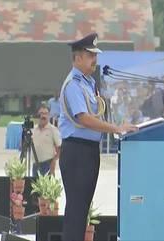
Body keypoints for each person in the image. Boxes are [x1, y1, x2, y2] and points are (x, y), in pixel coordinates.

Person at [58, 33, 138, 241]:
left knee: (82, 209)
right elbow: (84, 119)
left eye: (95, 55)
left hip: (88, 151)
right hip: (77, 151)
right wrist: (117, 128)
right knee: (76, 210)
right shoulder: (74, 84)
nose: (94, 59)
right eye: (90, 55)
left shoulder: (88, 82)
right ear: (77, 58)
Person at [31, 104, 61, 176]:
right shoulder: (33, 129)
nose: (43, 116)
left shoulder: (53, 130)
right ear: (38, 115)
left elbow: (59, 149)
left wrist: (53, 162)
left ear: (48, 115)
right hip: (35, 165)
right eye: (41, 113)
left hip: (47, 164)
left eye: (46, 113)